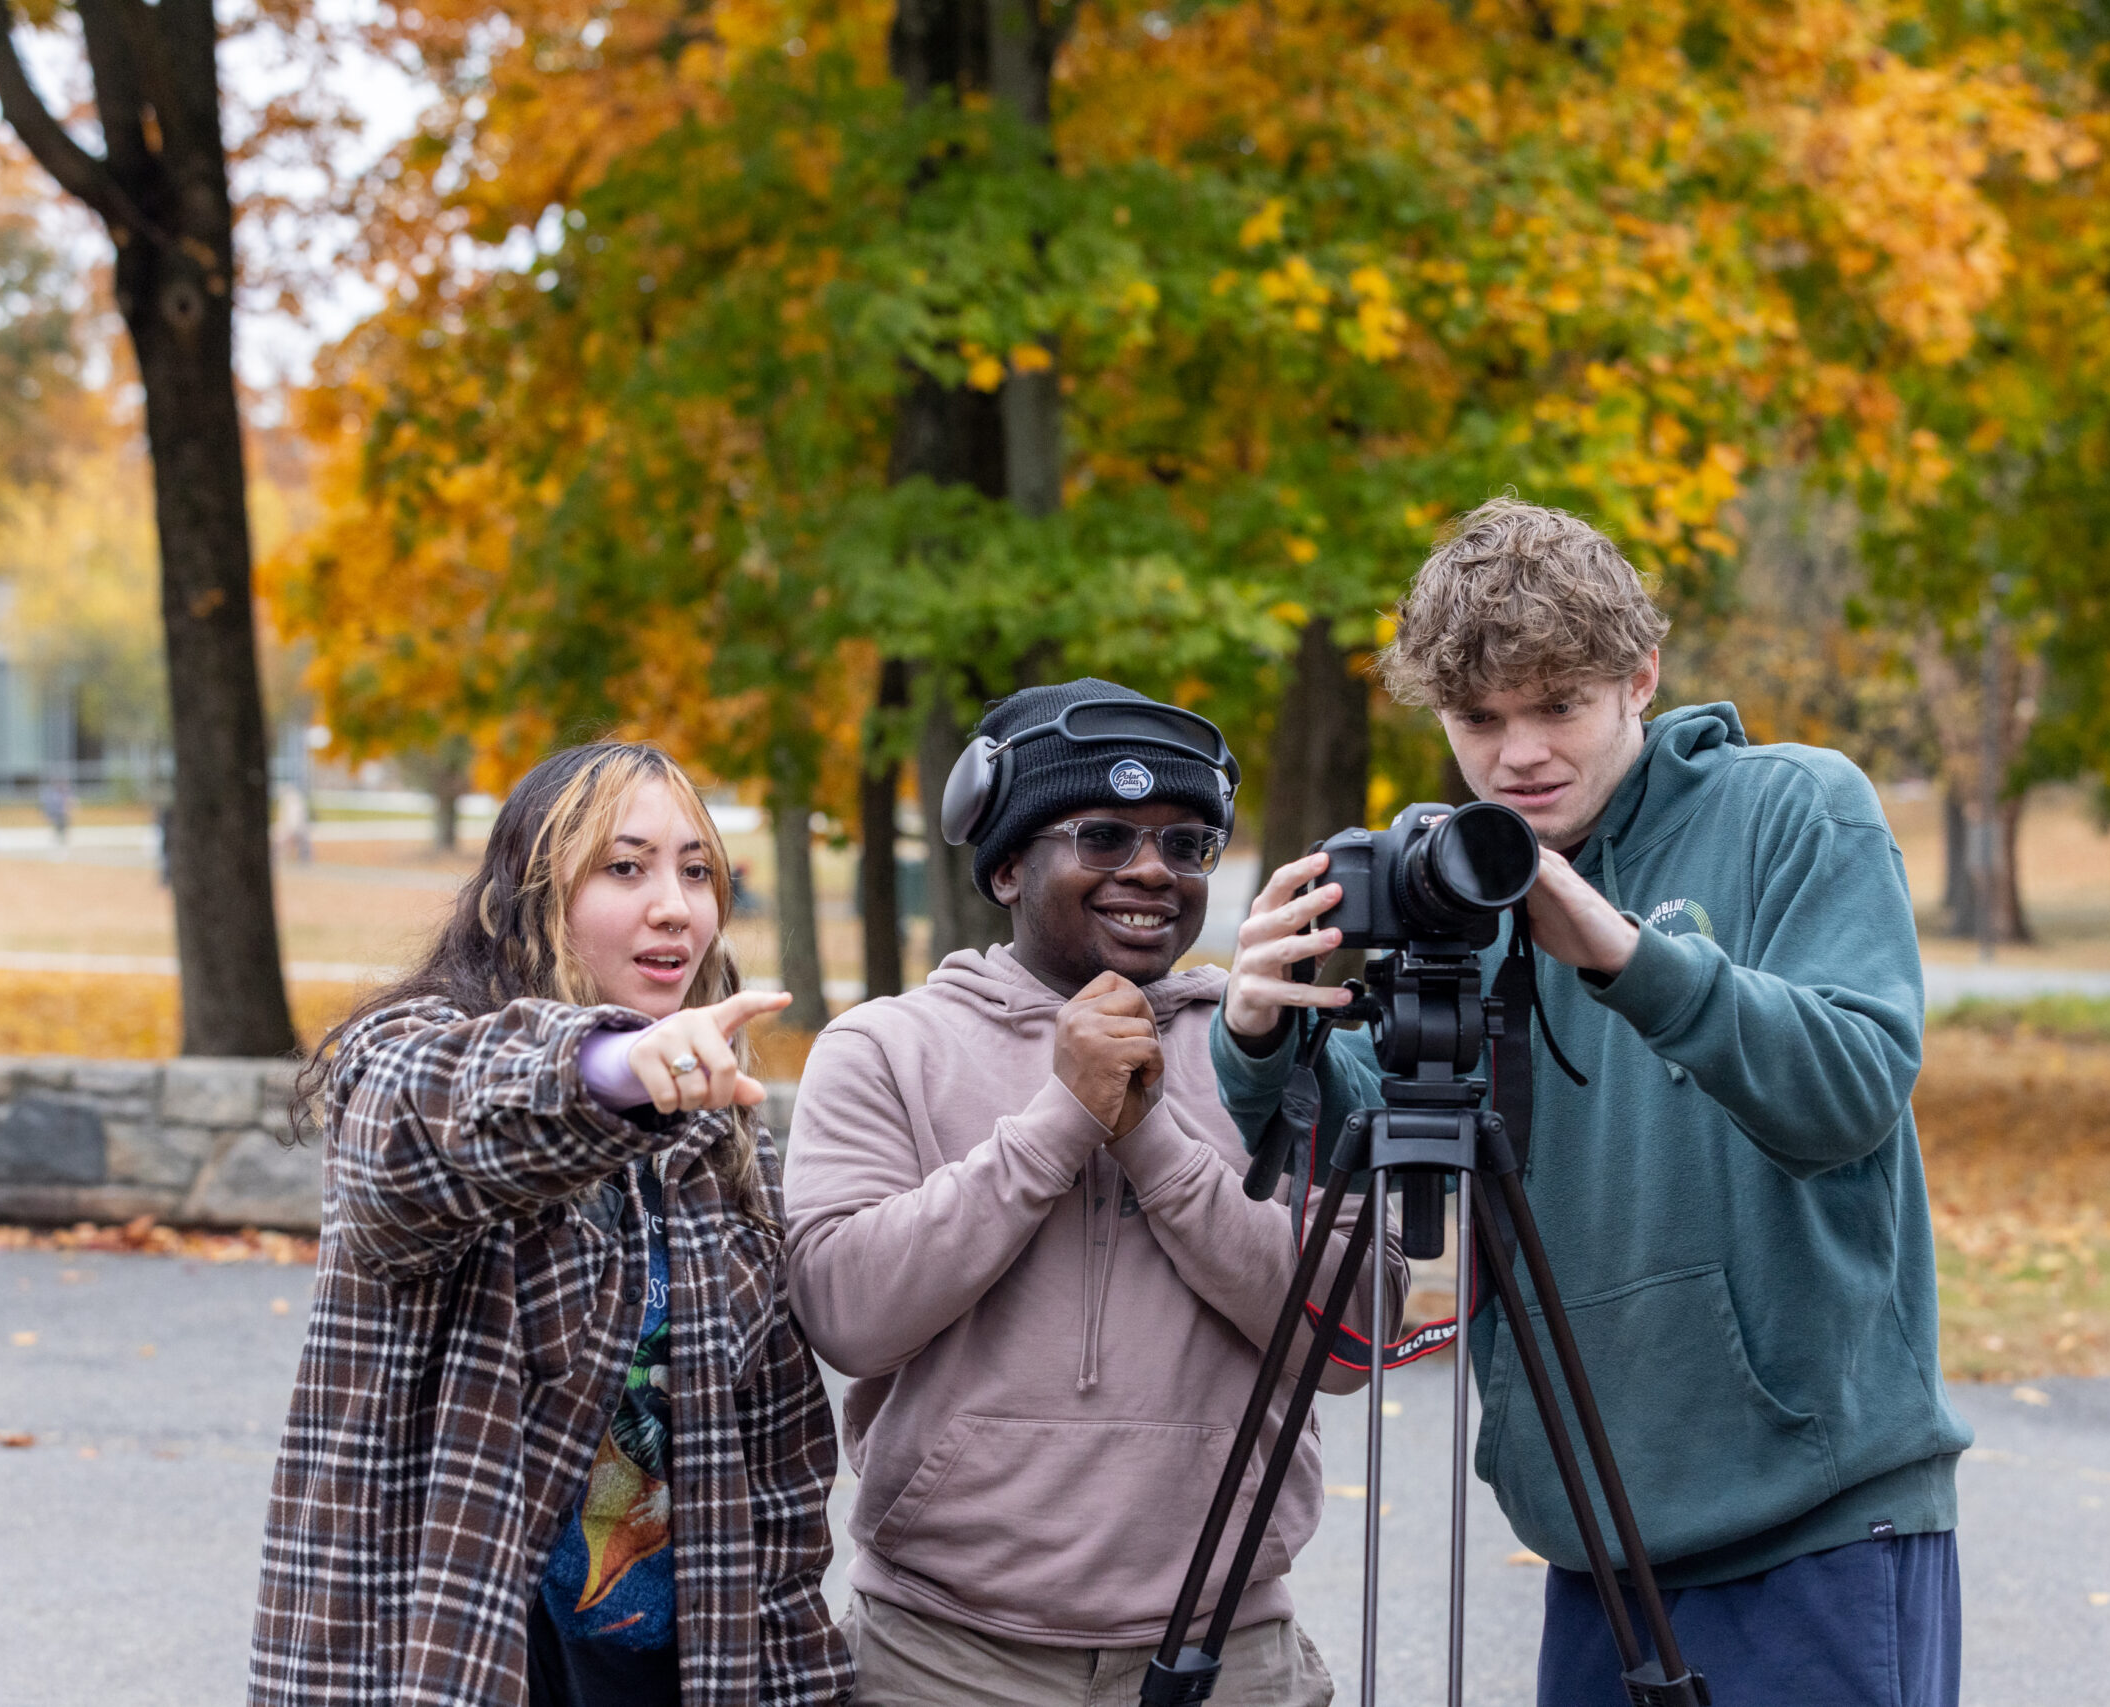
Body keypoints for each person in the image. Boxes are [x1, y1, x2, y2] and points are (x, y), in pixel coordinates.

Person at [1215, 499, 1969, 1707]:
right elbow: (1370, 1132)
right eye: (1479, 719)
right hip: (1595, 1540)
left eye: (1557, 705)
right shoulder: (1472, 885)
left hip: (1818, 1525)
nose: (1518, 755)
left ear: (1640, 677)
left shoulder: (1793, 807)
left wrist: (1628, 957)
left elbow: (1850, 1090)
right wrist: (1259, 1035)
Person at [782, 680, 1403, 1707]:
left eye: (1186, 844)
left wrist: (1152, 1142)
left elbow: (1353, 1338)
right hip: (942, 1658)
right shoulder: (885, 1048)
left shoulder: (1270, 1050)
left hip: (1226, 1654)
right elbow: (845, 1314)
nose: (1152, 870)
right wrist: (1060, 1120)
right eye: (1104, 835)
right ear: (1007, 865)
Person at [251, 740, 851, 1707]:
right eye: (625, 867)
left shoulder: (721, 1130)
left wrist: (798, 1678)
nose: (675, 905)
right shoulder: (413, 1058)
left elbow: (775, 1462)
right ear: (527, 898)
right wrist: (609, 1071)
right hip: (453, 1656)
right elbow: (431, 1118)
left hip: (672, 1670)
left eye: (697, 870)